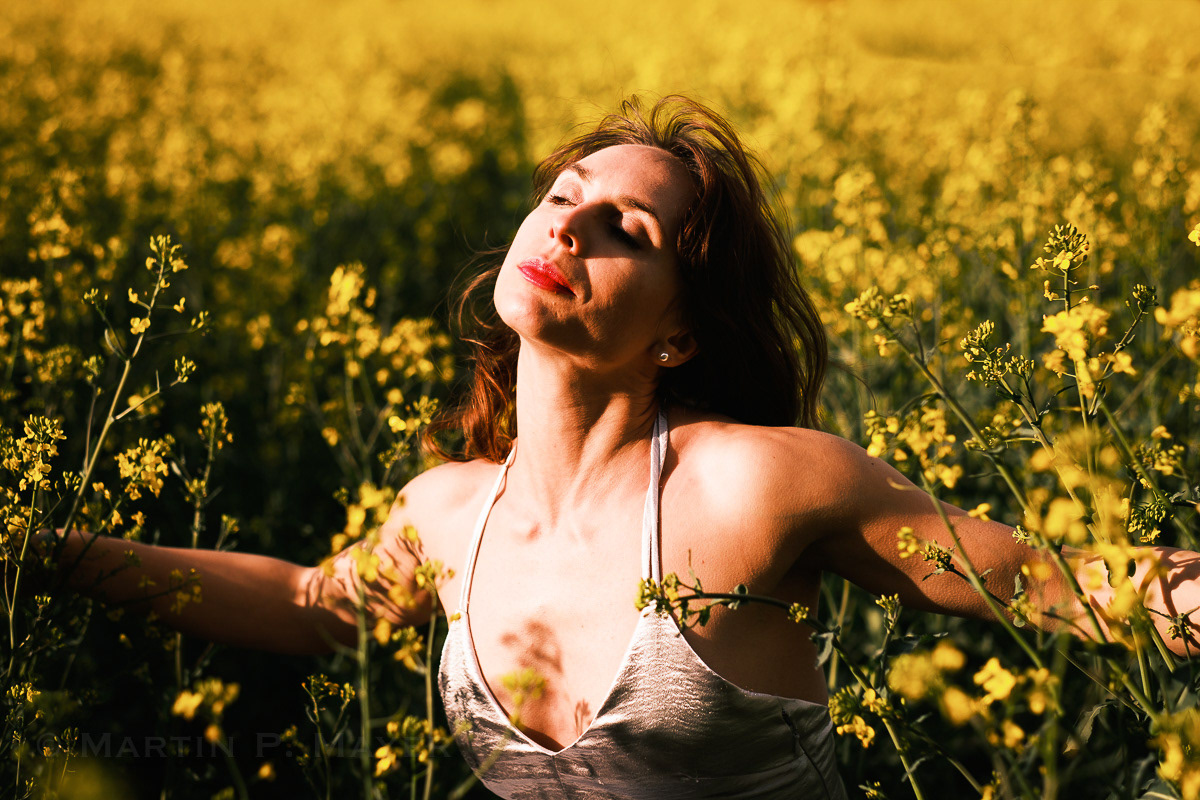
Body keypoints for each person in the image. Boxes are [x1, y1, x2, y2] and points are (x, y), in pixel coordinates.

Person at [43, 95, 1200, 799]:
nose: (569, 225)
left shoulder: (754, 483)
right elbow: (311, 604)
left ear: (681, 332)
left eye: (624, 228)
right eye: (562, 196)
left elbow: (1059, 583)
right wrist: (49, 554)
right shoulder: (449, 509)